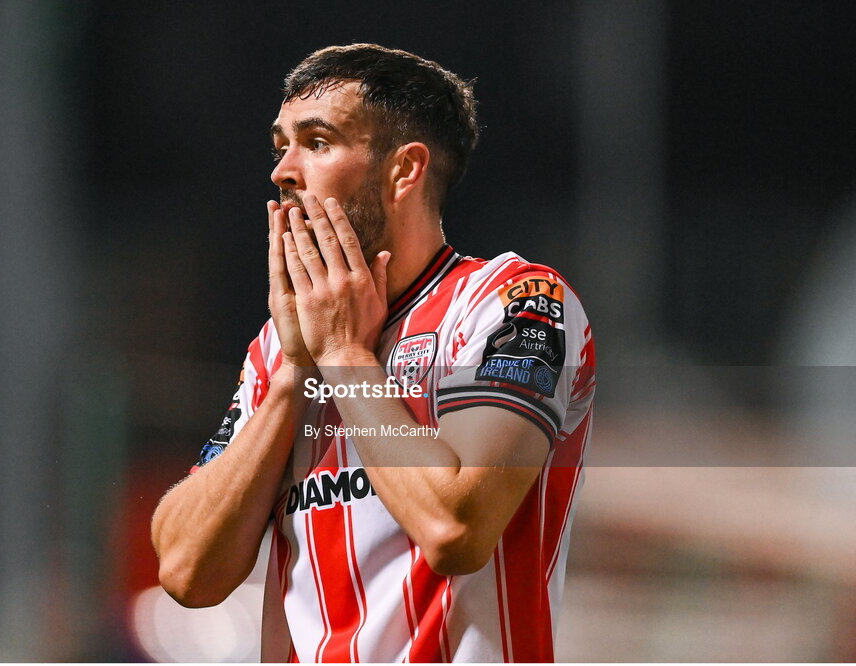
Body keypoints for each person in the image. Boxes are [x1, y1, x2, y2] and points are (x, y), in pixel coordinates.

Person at [150, 43, 596, 663]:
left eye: (318, 141)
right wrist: (294, 374)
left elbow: (456, 527)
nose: (283, 170)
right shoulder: (278, 350)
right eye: (281, 145)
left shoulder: (514, 301)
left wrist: (342, 355)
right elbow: (184, 570)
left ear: (404, 170)